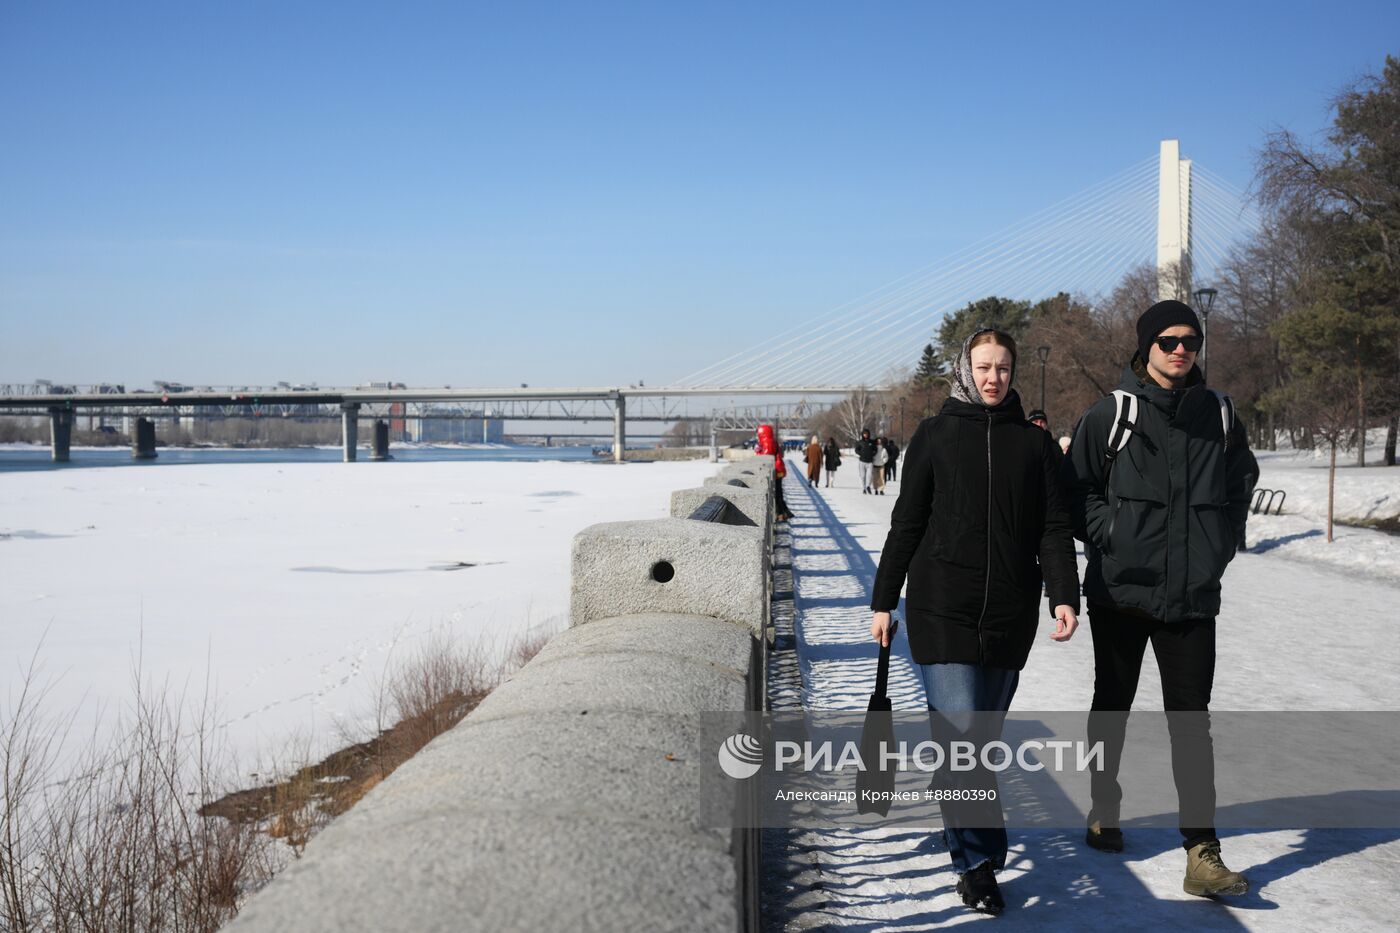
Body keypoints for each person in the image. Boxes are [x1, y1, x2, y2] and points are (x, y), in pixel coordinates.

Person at [870, 328, 1080, 916]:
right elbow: (906, 523)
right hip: (942, 609)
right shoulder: (935, 436)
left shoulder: (1034, 447)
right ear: (965, 369)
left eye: (1004, 368)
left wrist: (1065, 594)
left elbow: (1053, 530)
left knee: (977, 745)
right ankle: (979, 864)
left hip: (1010, 615)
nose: (994, 378)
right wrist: (884, 599)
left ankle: (968, 839)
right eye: (984, 367)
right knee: (962, 740)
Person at [1062, 299, 1258, 898]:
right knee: (1112, 704)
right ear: (1146, 346)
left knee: (1191, 723)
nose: (1181, 349)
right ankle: (1104, 805)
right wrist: (1113, 535)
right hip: (1121, 593)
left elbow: (1239, 484)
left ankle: (1202, 851)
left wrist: (1219, 543)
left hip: (1192, 596)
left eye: (1191, 340)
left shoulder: (1219, 415)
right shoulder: (1111, 415)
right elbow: (1076, 493)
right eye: (1169, 339)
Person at [755, 424, 791, 521]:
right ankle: (783, 513)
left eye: (758, 433)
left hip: (776, 470)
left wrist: (758, 452)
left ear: (762, 432)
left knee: (777, 494)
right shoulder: (770, 441)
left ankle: (781, 514)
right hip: (778, 469)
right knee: (778, 493)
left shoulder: (767, 442)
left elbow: (766, 457)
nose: (757, 435)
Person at [854, 429, 878, 494]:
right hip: (862, 461)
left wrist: (872, 454)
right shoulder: (860, 442)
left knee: (869, 476)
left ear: (868, 434)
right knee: (863, 476)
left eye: (867, 433)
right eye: (864, 434)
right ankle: (864, 488)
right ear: (862, 434)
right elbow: (856, 450)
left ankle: (868, 486)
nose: (865, 435)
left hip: (870, 462)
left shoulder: (872, 442)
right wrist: (861, 453)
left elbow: (875, 450)